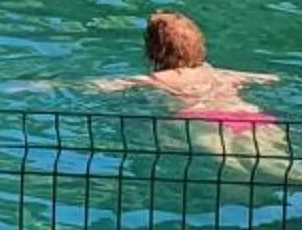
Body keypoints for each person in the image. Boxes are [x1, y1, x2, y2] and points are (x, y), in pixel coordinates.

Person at [91, 9, 288, 146]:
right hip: (251, 116)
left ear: (154, 50)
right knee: (283, 164)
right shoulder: (217, 73)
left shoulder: (158, 79)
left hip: (207, 121)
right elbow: (268, 79)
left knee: (238, 169)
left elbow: (106, 86)